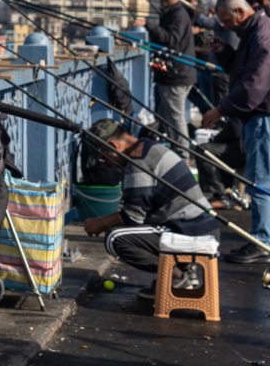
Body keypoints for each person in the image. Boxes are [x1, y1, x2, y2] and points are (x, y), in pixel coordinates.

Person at [201, 0, 270, 264]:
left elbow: (255, 85)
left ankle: (263, 241)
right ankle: (262, 237)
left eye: (227, 21)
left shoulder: (262, 36)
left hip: (265, 116)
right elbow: (245, 72)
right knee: (258, 179)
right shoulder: (254, 31)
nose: (226, 26)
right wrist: (226, 52)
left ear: (240, 13)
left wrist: (220, 109)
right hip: (263, 115)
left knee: (259, 181)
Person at [82, 119, 220, 301]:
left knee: (114, 238)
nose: (104, 165)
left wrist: (99, 223)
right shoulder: (149, 146)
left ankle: (176, 276)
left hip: (188, 230)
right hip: (203, 227)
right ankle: (185, 269)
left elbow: (133, 217)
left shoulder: (138, 163)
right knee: (142, 228)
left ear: (112, 146)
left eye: (102, 158)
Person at [132, 0, 196, 160]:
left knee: (176, 119)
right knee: (163, 117)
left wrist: (148, 25)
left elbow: (171, 40)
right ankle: (165, 154)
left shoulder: (179, 14)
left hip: (175, 75)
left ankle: (183, 157)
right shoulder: (173, 13)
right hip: (172, 74)